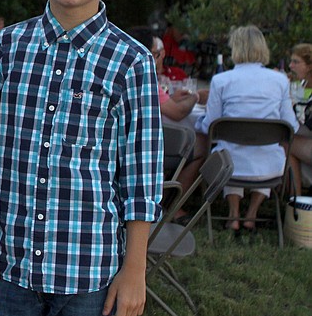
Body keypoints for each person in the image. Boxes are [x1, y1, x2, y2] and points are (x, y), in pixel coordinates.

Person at [0, 0, 163, 316]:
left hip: (89, 273)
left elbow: (142, 175)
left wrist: (135, 270)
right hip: (9, 267)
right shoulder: (7, 48)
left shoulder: (131, 62)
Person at [196, 25, 298, 234]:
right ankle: (251, 215)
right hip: (270, 168)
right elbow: (291, 126)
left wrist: (197, 123)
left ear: (236, 49)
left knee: (229, 149)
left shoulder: (222, 80)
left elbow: (210, 125)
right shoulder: (280, 81)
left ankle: (233, 215)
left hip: (230, 168)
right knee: (262, 149)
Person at [130, 28, 207, 223]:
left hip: (128, 148)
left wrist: (172, 98)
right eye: (157, 54)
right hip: (145, 152)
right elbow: (178, 113)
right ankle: (172, 206)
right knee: (201, 146)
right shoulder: (146, 79)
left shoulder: (124, 74)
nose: (160, 59)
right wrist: (195, 96)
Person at [286, 43, 312, 195]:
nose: (291, 66)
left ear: (309, 66)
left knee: (286, 142)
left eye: (296, 62)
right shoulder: (301, 85)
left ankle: (295, 201)